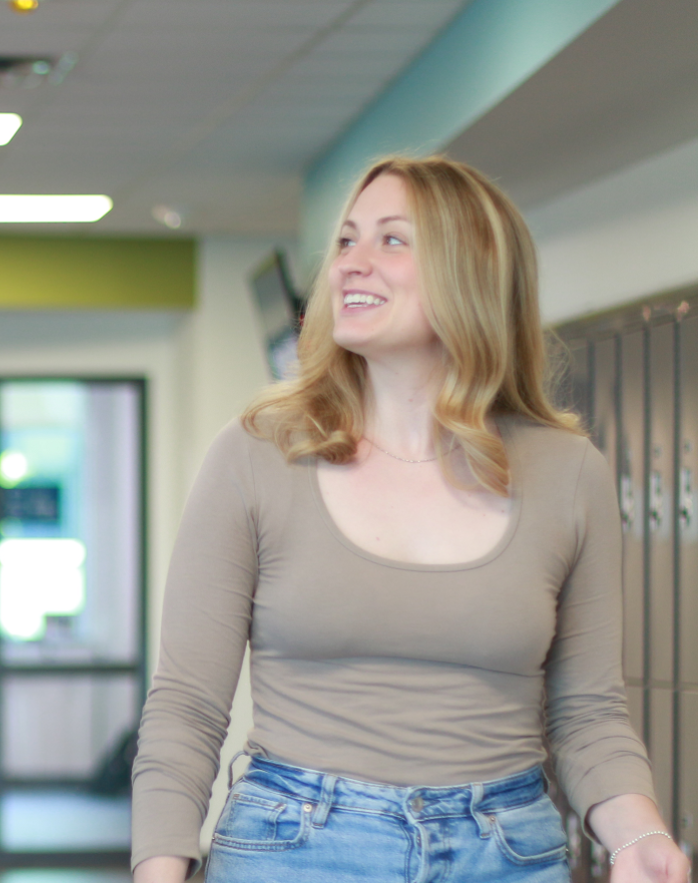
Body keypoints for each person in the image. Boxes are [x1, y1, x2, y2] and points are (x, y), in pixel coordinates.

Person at [131, 156, 692, 883]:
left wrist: (637, 833)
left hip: (509, 851)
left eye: (392, 241)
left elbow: (588, 712)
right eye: (345, 242)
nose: (350, 266)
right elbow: (186, 707)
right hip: (298, 846)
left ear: (474, 270)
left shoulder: (569, 471)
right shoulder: (257, 456)